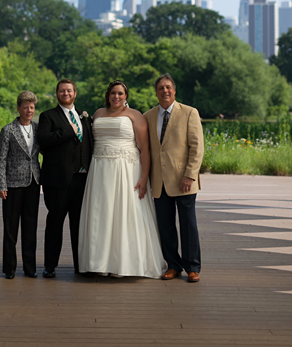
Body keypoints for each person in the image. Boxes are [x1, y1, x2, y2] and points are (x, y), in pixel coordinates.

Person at [78, 80, 166, 278]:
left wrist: (144, 178)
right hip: (100, 169)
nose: (116, 97)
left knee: (124, 211)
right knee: (102, 212)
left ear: (126, 96)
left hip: (127, 169)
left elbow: (145, 149)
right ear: (108, 95)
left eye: (120, 94)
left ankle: (124, 263)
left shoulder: (135, 115)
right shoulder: (98, 114)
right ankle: (100, 262)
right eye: (113, 93)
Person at [144, 73, 204, 283]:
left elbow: (197, 148)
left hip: (184, 181)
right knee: (165, 226)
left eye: (168, 87)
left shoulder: (189, 113)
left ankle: (192, 267)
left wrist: (189, 175)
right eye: (161, 88)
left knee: (188, 224)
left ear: (174, 90)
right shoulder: (148, 116)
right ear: (156, 92)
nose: (165, 91)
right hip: (159, 182)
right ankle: (173, 265)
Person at [38, 79, 93, 278]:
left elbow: (90, 144)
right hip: (57, 181)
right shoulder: (47, 116)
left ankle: (81, 266)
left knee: (79, 225)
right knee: (55, 223)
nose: (66, 93)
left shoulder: (85, 116)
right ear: (57, 94)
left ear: (75, 93)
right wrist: (68, 130)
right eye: (62, 91)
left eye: (69, 90)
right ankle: (50, 266)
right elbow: (43, 141)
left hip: (82, 179)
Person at [0, 91, 41, 280]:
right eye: (25, 107)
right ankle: (10, 268)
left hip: (33, 182)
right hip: (12, 185)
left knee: (30, 228)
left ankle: (30, 268)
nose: (29, 110)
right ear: (18, 108)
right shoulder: (8, 130)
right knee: (10, 228)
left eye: (31, 107)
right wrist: (1, 184)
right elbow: (0, 160)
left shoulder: (38, 129)